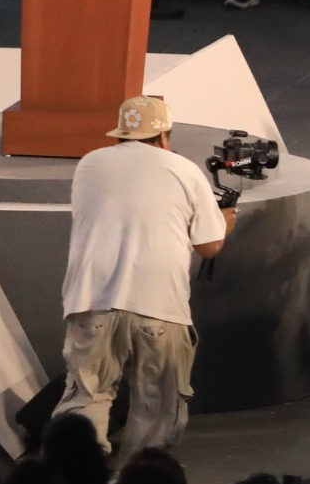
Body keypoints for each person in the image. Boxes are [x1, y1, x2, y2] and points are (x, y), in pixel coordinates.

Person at [51, 95, 232, 450]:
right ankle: (136, 480)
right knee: (157, 411)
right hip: (159, 307)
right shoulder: (184, 169)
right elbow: (209, 246)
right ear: (164, 135)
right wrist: (224, 222)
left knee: (86, 401)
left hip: (91, 302)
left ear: (120, 133)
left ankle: (78, 477)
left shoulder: (89, 164)